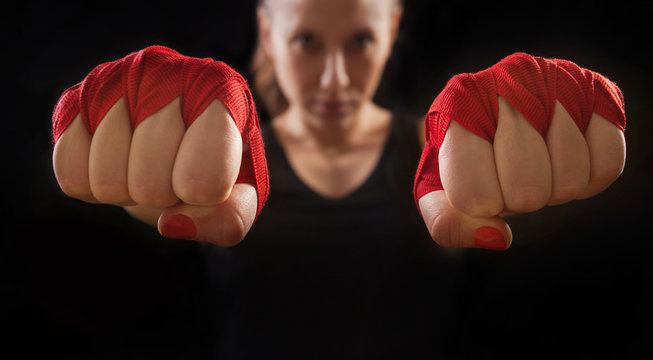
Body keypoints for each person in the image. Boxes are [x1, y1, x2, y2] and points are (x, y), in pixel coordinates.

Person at [49, 0, 626, 357]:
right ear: (267, 35)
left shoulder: (450, 149)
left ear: (393, 31)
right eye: (305, 41)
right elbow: (158, 197)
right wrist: (135, 148)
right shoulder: (217, 149)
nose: (334, 76)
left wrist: (537, 113)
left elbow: (525, 218)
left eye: (360, 41)